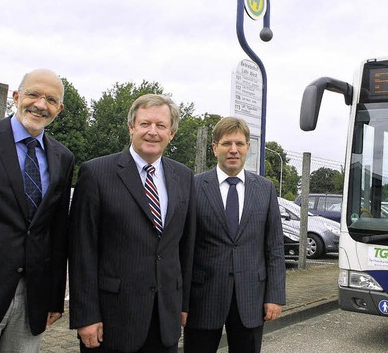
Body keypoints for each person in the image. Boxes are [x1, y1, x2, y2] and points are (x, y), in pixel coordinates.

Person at [0, 68, 74, 352]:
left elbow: (57, 234)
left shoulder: (63, 157)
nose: (40, 105)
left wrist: (54, 299)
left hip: (31, 301)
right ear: (17, 96)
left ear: (60, 108)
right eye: (33, 94)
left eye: (50, 99)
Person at [69, 94, 196, 353]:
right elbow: (82, 250)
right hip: (112, 320)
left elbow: (185, 247)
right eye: (145, 124)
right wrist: (86, 316)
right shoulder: (96, 173)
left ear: (171, 133)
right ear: (131, 128)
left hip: (164, 320)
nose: (153, 132)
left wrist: (182, 304)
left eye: (161, 125)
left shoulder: (183, 177)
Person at [184, 117, 286, 353]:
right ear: (214, 148)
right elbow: (185, 247)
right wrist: (180, 302)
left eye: (239, 144)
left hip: (251, 298)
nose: (233, 150)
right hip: (203, 298)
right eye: (226, 143)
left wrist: (275, 295)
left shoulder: (265, 189)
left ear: (248, 148)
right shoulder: (193, 186)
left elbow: (274, 247)